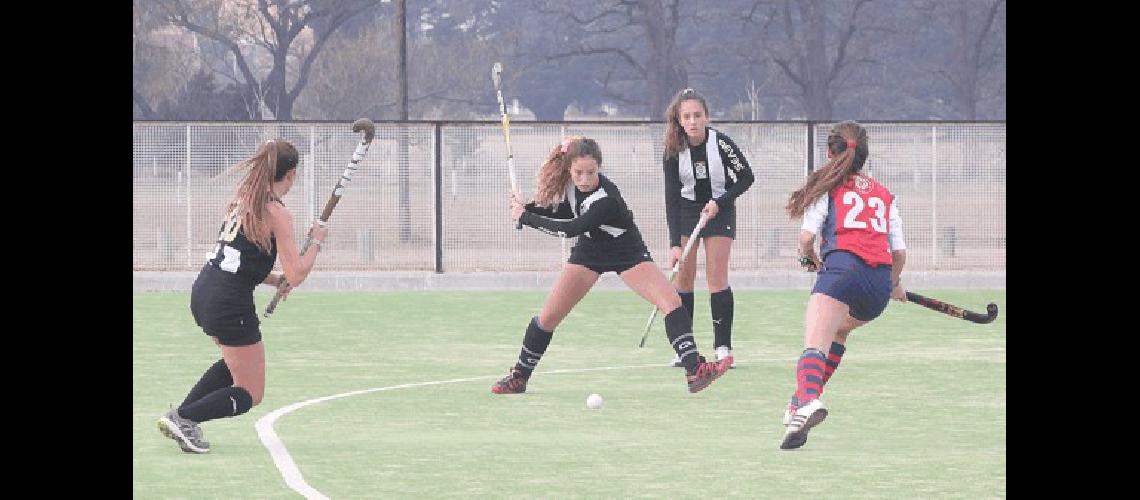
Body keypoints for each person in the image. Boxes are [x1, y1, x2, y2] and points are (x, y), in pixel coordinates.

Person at [492, 136, 733, 395]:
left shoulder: (605, 199)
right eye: (578, 173)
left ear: (599, 168)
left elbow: (572, 228)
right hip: (589, 252)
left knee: (671, 302)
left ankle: (694, 369)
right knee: (548, 317)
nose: (584, 179)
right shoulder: (572, 187)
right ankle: (519, 376)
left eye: (591, 173)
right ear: (569, 170)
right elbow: (565, 212)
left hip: (626, 252)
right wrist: (525, 208)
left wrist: (526, 217)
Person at [157, 139, 327, 454]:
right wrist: (317, 241)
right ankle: (184, 417)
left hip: (206, 291)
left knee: (235, 364)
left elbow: (240, 259)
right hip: (228, 303)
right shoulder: (278, 213)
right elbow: (298, 274)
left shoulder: (244, 199)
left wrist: (274, 278)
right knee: (251, 391)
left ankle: (181, 418)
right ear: (290, 175)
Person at [778, 121, 907, 450]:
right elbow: (899, 253)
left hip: (842, 273)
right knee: (838, 331)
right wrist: (893, 284)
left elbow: (806, 239)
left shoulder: (828, 186)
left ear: (828, 153)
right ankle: (798, 406)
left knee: (815, 341)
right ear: (864, 156)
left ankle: (806, 401)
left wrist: (808, 260)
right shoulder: (884, 194)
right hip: (877, 287)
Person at [661, 88, 755, 368]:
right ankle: (685, 349)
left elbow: (746, 177)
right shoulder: (672, 150)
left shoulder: (721, 143)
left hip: (719, 211)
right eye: (686, 116)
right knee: (683, 280)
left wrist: (720, 201)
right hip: (688, 213)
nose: (692, 121)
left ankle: (723, 348)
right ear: (679, 120)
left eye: (697, 115)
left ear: (707, 117)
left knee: (716, 279)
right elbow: (671, 198)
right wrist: (674, 243)